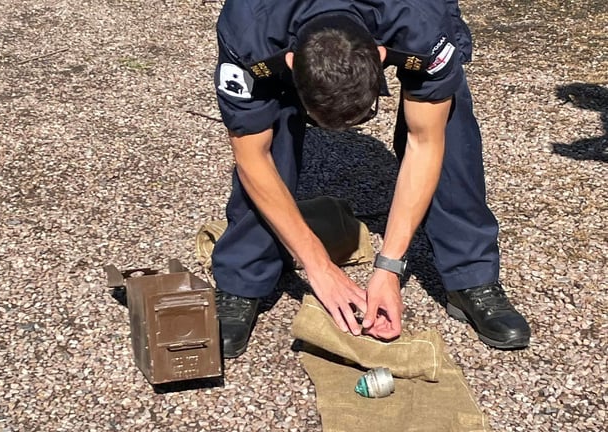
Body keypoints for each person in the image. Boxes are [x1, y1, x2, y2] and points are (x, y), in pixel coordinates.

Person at [211, 0, 531, 358]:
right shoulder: (249, 29)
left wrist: (389, 266)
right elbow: (252, 156)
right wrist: (319, 267)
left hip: (406, 12)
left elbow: (424, 142)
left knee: (447, 124)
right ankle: (243, 276)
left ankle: (471, 275)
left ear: (381, 55)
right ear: (289, 62)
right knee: (268, 132)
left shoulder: (423, 20)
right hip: (275, 24)